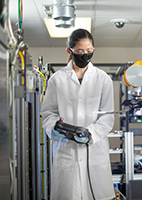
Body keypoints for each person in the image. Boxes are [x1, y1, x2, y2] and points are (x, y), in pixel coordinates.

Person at [41, 28, 115, 200]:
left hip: (94, 152)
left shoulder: (103, 79)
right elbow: (48, 112)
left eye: (89, 51)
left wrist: (90, 133)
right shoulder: (57, 80)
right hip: (67, 153)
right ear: (69, 51)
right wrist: (55, 128)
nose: (85, 56)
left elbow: (107, 116)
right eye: (80, 52)